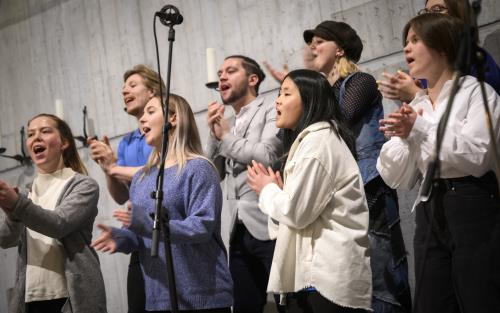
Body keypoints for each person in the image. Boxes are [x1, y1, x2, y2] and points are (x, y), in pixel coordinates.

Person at [377, 13, 500, 313]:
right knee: (432, 302)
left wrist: (418, 130)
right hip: (430, 206)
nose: (406, 49)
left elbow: (478, 155)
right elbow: (394, 176)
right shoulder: (416, 106)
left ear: (442, 47)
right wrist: (406, 137)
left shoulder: (477, 92)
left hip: (473, 203)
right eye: (405, 42)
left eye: (415, 40)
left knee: (479, 298)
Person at [92, 94, 233, 312]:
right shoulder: (141, 178)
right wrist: (124, 237)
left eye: (151, 112)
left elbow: (202, 226)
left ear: (173, 119)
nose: (142, 119)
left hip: (202, 295)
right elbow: (145, 235)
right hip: (159, 296)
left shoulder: (198, 168)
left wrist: (150, 227)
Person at [247, 69, 372, 313]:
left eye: (286, 93)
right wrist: (281, 194)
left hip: (324, 280)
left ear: (309, 100)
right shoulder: (312, 141)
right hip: (311, 279)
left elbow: (295, 213)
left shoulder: (318, 143)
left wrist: (268, 190)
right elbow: (295, 215)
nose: (277, 100)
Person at [0, 114, 107, 313]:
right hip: (30, 299)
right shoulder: (24, 192)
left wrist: (17, 206)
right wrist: (13, 214)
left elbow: (59, 224)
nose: (36, 137)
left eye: (45, 131)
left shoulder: (83, 185)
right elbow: (6, 239)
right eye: (31, 134)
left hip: (73, 298)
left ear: (64, 143)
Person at [206, 55, 282, 313]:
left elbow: (268, 156)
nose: (222, 77)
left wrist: (226, 136)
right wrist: (213, 136)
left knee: (291, 302)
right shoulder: (226, 120)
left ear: (253, 79)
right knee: (244, 306)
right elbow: (212, 175)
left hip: (271, 226)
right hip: (237, 230)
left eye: (230, 71)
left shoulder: (271, 108)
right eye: (219, 73)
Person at [88, 64, 165, 313]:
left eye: (132, 85)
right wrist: (107, 168)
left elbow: (160, 174)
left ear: (153, 91)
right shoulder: (128, 142)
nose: (125, 91)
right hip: (139, 240)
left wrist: (115, 168)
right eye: (123, 88)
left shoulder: (168, 131)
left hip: (169, 234)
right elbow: (122, 196)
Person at [378, 0, 500, 102]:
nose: (429, 17)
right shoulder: (425, 73)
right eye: (425, 12)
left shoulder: (479, 65)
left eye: (437, 10)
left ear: (459, 14)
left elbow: (458, 120)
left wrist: (417, 95)